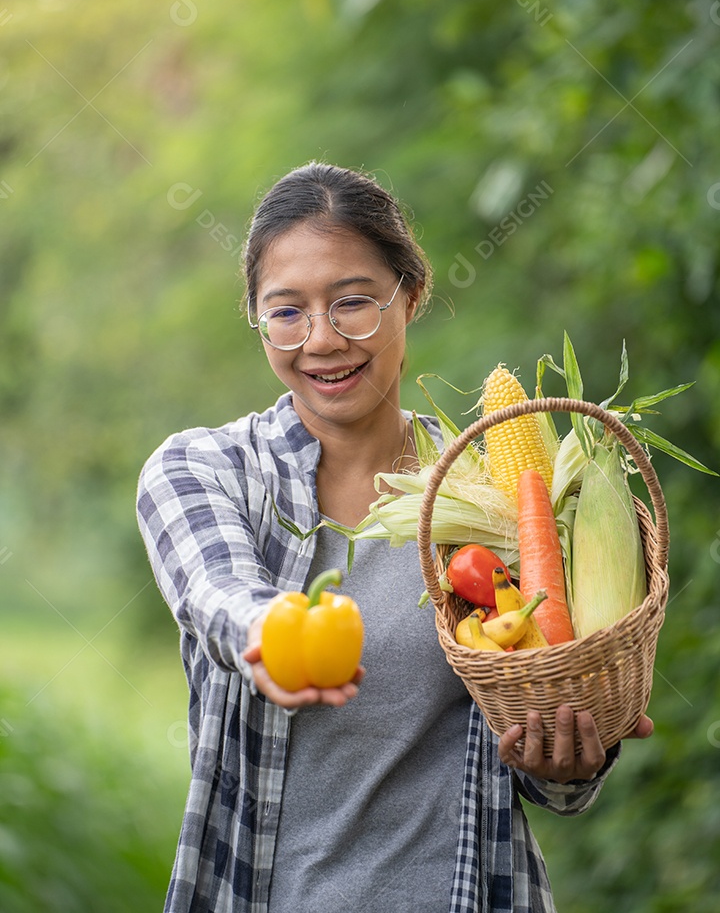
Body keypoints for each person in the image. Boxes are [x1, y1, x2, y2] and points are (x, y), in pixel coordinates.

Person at [137, 162, 652, 913]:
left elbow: (550, 774)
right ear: (255, 318)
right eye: (286, 312)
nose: (322, 340)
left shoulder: (495, 491)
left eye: (353, 303)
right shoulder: (203, 468)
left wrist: (573, 756)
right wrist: (271, 636)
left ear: (409, 297)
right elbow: (215, 593)